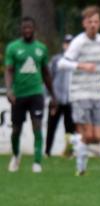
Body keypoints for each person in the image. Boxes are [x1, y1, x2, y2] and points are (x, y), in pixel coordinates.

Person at [58, 5, 100, 176]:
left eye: (96, 21)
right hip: (79, 93)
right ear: (84, 23)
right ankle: (81, 169)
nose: (93, 24)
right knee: (87, 133)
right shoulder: (78, 42)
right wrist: (81, 65)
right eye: (90, 21)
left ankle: (73, 140)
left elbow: (99, 63)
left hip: (96, 93)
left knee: (97, 137)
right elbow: (62, 63)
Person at [4, 16, 56, 173]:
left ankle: (37, 162)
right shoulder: (13, 48)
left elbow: (46, 73)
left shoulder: (41, 49)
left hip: (36, 93)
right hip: (18, 95)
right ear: (21, 29)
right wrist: (9, 89)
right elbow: (8, 70)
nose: (27, 30)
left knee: (37, 126)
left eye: (29, 28)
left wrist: (53, 95)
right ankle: (16, 155)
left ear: (34, 29)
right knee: (16, 130)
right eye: (24, 28)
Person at [45, 34, 75, 157]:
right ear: (63, 45)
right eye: (67, 43)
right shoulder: (56, 60)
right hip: (56, 100)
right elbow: (47, 77)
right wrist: (50, 96)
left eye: (71, 43)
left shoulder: (78, 61)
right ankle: (47, 152)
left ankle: (69, 152)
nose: (69, 46)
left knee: (70, 128)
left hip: (71, 100)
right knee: (51, 126)